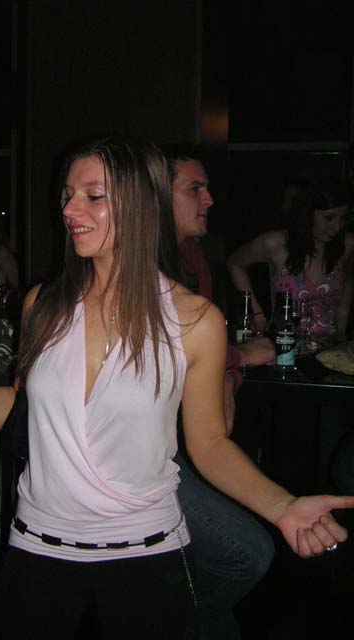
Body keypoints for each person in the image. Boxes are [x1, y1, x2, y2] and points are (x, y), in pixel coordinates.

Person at [0, 137, 354, 640]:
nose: (69, 210)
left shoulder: (194, 320)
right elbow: (23, 409)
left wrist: (282, 506)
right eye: (67, 195)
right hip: (37, 550)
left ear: (140, 206)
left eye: (93, 195)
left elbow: (210, 444)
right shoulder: (42, 304)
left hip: (145, 555)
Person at [162, 142, 275, 639]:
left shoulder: (194, 257)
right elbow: (170, 354)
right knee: (247, 554)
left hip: (188, 438)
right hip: (148, 455)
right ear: (154, 195)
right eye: (195, 188)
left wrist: (228, 372)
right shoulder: (137, 264)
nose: (209, 199)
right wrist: (237, 359)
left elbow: (203, 353)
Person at [227, 176, 354, 341]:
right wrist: (257, 314)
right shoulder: (275, 243)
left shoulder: (347, 244)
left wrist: (341, 330)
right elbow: (235, 263)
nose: (336, 227)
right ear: (308, 212)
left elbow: (347, 286)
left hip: (328, 346)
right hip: (285, 343)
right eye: (328, 218)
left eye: (342, 219)